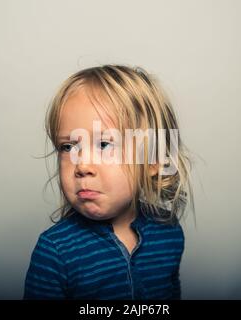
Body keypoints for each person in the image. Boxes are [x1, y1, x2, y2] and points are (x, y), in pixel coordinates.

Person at [24, 64, 194, 300]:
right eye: (68, 147)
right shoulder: (56, 251)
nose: (82, 165)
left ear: (154, 159)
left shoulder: (169, 233)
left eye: (104, 145)